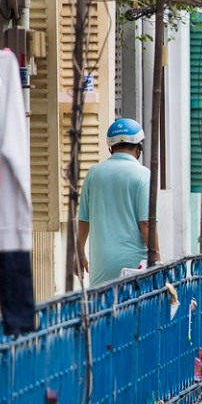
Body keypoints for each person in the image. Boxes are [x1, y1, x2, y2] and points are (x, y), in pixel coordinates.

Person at [76, 118, 160, 286]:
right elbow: (145, 223)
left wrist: (79, 253)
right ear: (138, 149)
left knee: (102, 310)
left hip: (101, 265)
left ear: (111, 148)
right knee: (135, 310)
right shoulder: (143, 175)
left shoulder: (93, 173)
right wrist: (157, 259)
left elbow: (84, 220)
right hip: (135, 266)